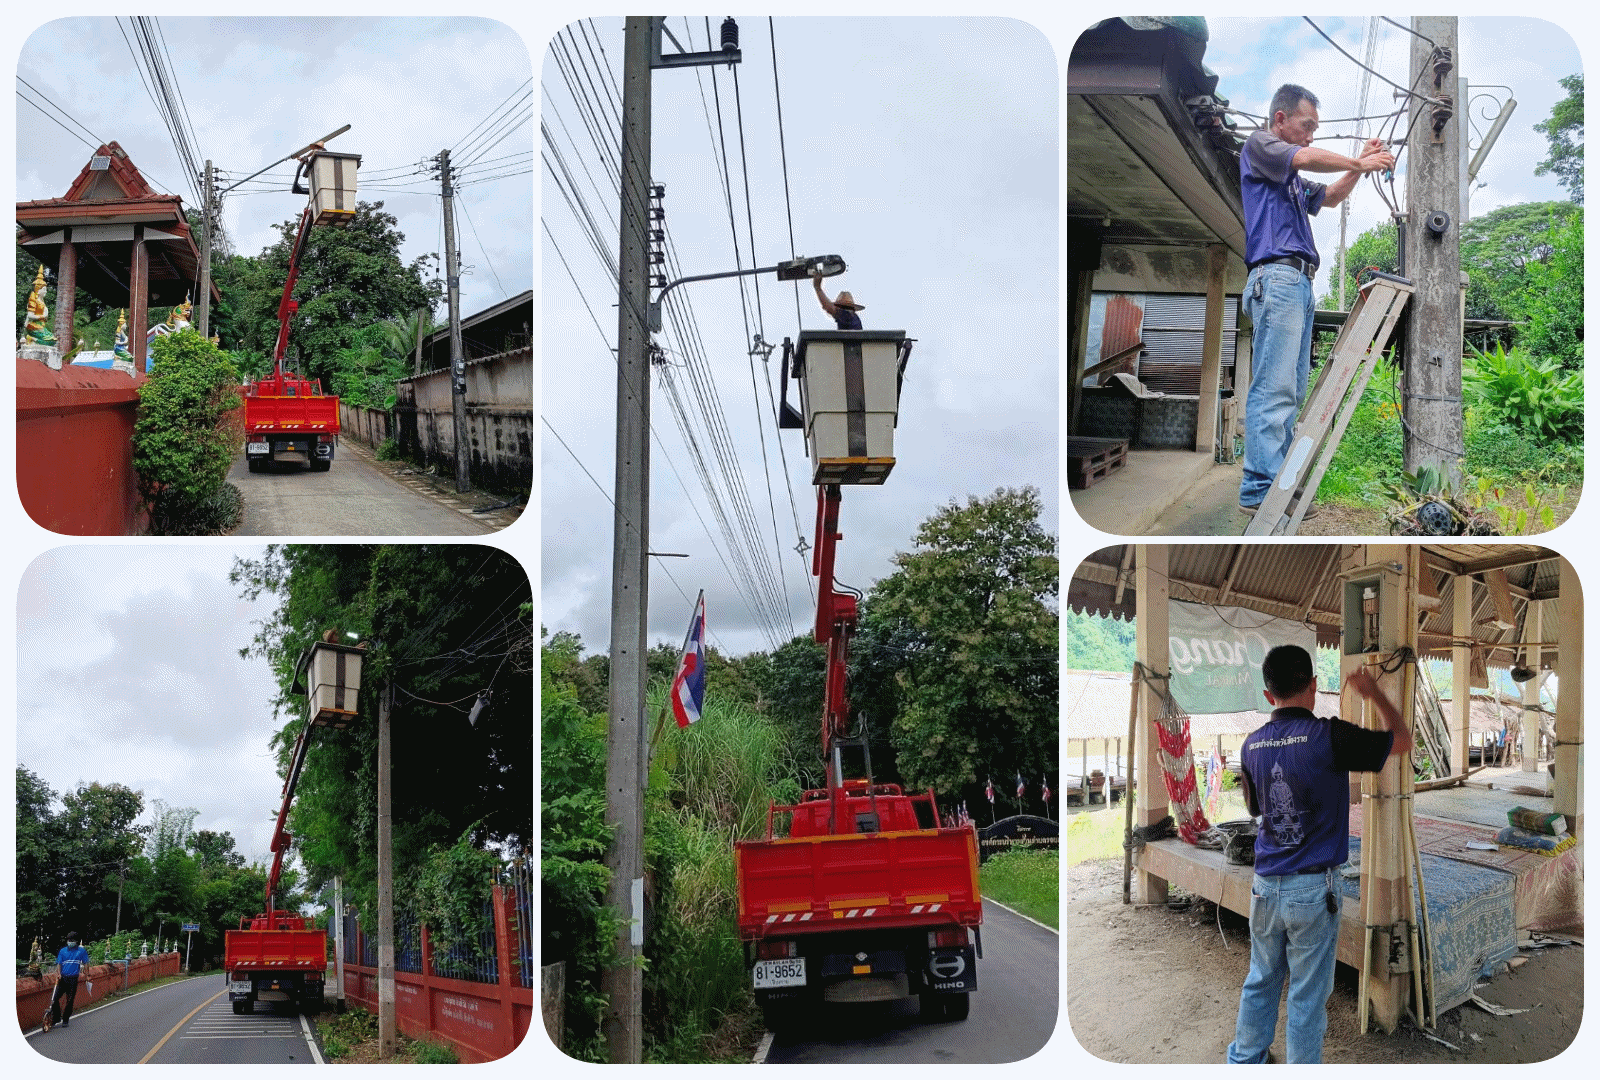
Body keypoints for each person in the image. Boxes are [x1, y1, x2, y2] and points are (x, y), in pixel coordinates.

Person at [1227, 646, 1413, 1065]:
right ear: (1313, 685)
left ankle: (1245, 1060)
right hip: (1313, 890)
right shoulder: (1331, 736)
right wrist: (1375, 696)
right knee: (1307, 996)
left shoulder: (1251, 745)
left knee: (1260, 979)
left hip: (1264, 886)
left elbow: (1256, 809)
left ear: (1268, 693)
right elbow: (1401, 740)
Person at [1238, 84, 1394, 518]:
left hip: (1299, 282)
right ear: (1280, 119)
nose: (1309, 137)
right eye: (1306, 126)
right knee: (1275, 386)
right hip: (1279, 275)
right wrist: (1361, 160)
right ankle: (1260, 489)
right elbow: (1306, 157)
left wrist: (1358, 166)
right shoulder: (1261, 145)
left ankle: (1276, 486)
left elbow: (1327, 197)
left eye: (1314, 129)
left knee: (1292, 387)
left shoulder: (1287, 177)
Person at [47, 931, 91, 1030]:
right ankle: (56, 1017)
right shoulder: (63, 951)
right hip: (63, 978)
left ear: (76, 941)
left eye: (72, 940)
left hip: (73, 979)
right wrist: (58, 974)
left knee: (70, 1000)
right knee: (55, 998)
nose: (70, 942)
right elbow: (59, 963)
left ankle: (65, 1019)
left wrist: (88, 974)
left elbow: (86, 963)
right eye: (68, 940)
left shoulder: (81, 951)